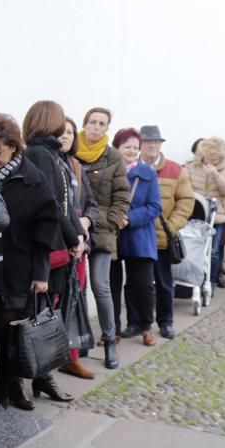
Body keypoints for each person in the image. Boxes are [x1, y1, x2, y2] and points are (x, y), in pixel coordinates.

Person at [0, 114, 63, 411]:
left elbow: (45, 228)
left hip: (16, 266)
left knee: (7, 331)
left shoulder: (32, 178)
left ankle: (7, 389)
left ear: (13, 147)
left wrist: (41, 273)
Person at [16, 100, 80, 400]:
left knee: (44, 312)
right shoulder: (41, 154)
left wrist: (77, 232)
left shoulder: (52, 154)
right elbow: (51, 203)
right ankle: (21, 378)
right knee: (33, 315)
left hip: (54, 246)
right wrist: (72, 236)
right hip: (45, 248)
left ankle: (42, 375)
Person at [75, 107, 132, 348]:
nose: (96, 127)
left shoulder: (113, 157)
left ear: (107, 128)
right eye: (93, 122)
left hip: (104, 229)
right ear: (85, 123)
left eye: (102, 124)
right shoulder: (73, 151)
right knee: (78, 288)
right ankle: (81, 342)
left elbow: (122, 195)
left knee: (101, 286)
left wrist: (113, 220)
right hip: (75, 228)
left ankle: (109, 339)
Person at [140, 125, 194, 341]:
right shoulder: (132, 167)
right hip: (138, 238)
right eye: (148, 141)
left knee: (163, 283)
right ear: (141, 144)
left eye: (156, 142)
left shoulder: (175, 169)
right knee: (139, 285)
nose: (153, 145)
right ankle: (139, 323)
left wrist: (172, 226)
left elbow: (186, 200)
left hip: (162, 237)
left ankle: (166, 322)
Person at [113, 128, 163, 347]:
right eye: (127, 147)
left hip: (139, 235)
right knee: (112, 285)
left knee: (142, 284)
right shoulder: (110, 170)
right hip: (113, 235)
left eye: (135, 147)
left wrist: (129, 219)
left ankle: (144, 326)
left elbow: (155, 207)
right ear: (117, 148)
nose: (132, 151)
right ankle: (112, 328)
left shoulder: (147, 173)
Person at [56, 117, 98, 378]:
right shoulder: (49, 164)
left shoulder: (76, 167)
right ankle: (53, 354)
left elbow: (91, 204)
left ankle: (71, 357)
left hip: (79, 246)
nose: (65, 136)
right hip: (60, 245)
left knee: (75, 299)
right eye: (61, 132)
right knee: (56, 302)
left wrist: (86, 220)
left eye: (70, 132)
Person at [185, 137, 225, 289]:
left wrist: (216, 175)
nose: (213, 161)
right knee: (193, 249)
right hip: (195, 214)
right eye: (210, 158)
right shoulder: (191, 166)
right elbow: (184, 188)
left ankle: (212, 281)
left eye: (217, 159)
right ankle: (192, 280)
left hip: (219, 215)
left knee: (214, 251)